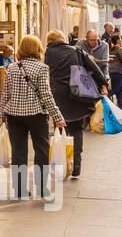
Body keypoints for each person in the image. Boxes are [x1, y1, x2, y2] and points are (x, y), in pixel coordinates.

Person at [0, 35, 66, 200]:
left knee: (18, 152)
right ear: (38, 49)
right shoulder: (42, 68)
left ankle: (20, 189)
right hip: (37, 115)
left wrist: (1, 114)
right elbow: (46, 94)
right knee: (41, 151)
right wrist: (57, 116)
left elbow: (5, 94)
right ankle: (42, 188)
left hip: (14, 115)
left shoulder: (12, 68)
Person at [44, 30, 108, 180]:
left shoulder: (48, 53)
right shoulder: (76, 51)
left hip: (57, 97)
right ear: (63, 39)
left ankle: (62, 163)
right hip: (77, 94)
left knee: (60, 129)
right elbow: (94, 68)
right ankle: (76, 164)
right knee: (77, 130)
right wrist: (103, 84)